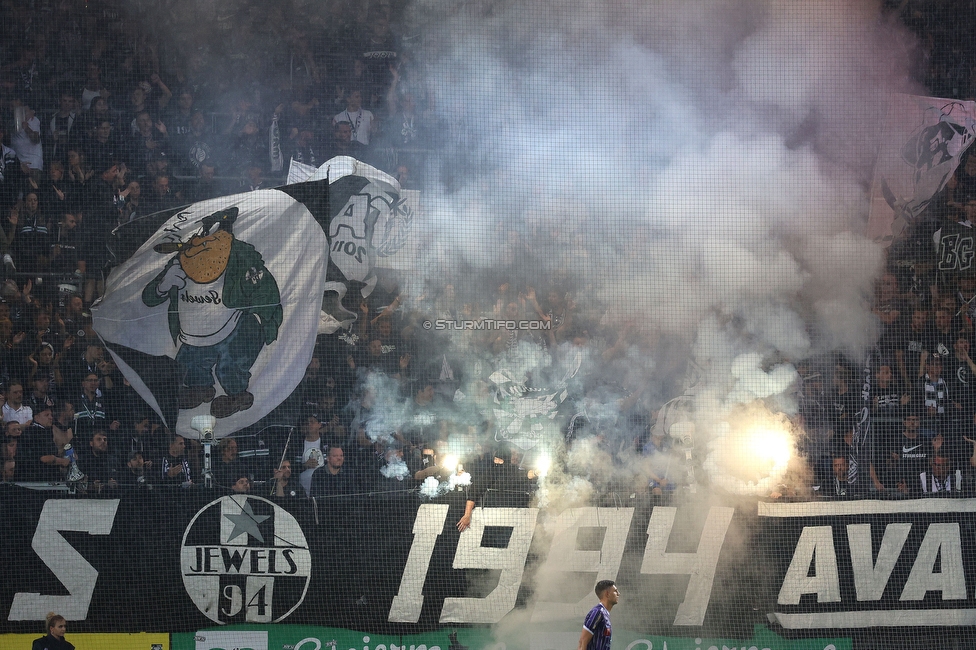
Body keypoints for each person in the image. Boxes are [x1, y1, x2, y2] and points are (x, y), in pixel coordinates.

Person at [578, 580, 619, 650]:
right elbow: (582, 642)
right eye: (615, 591)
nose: (618, 594)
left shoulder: (605, 614)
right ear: (607, 594)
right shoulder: (598, 612)